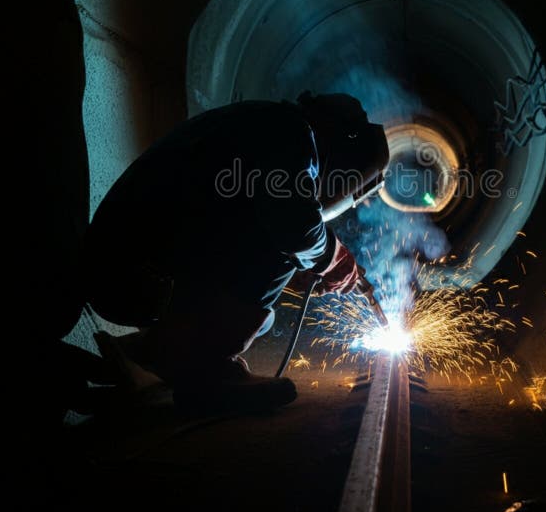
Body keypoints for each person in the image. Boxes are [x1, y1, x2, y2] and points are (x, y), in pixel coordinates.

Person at [84, 92, 389, 414]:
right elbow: (294, 225)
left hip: (122, 266)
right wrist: (332, 258)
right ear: (343, 146)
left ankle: (145, 352)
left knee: (265, 318)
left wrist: (304, 264)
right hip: (129, 275)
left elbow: (231, 226)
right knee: (284, 243)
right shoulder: (287, 132)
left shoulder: (264, 122)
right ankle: (206, 372)